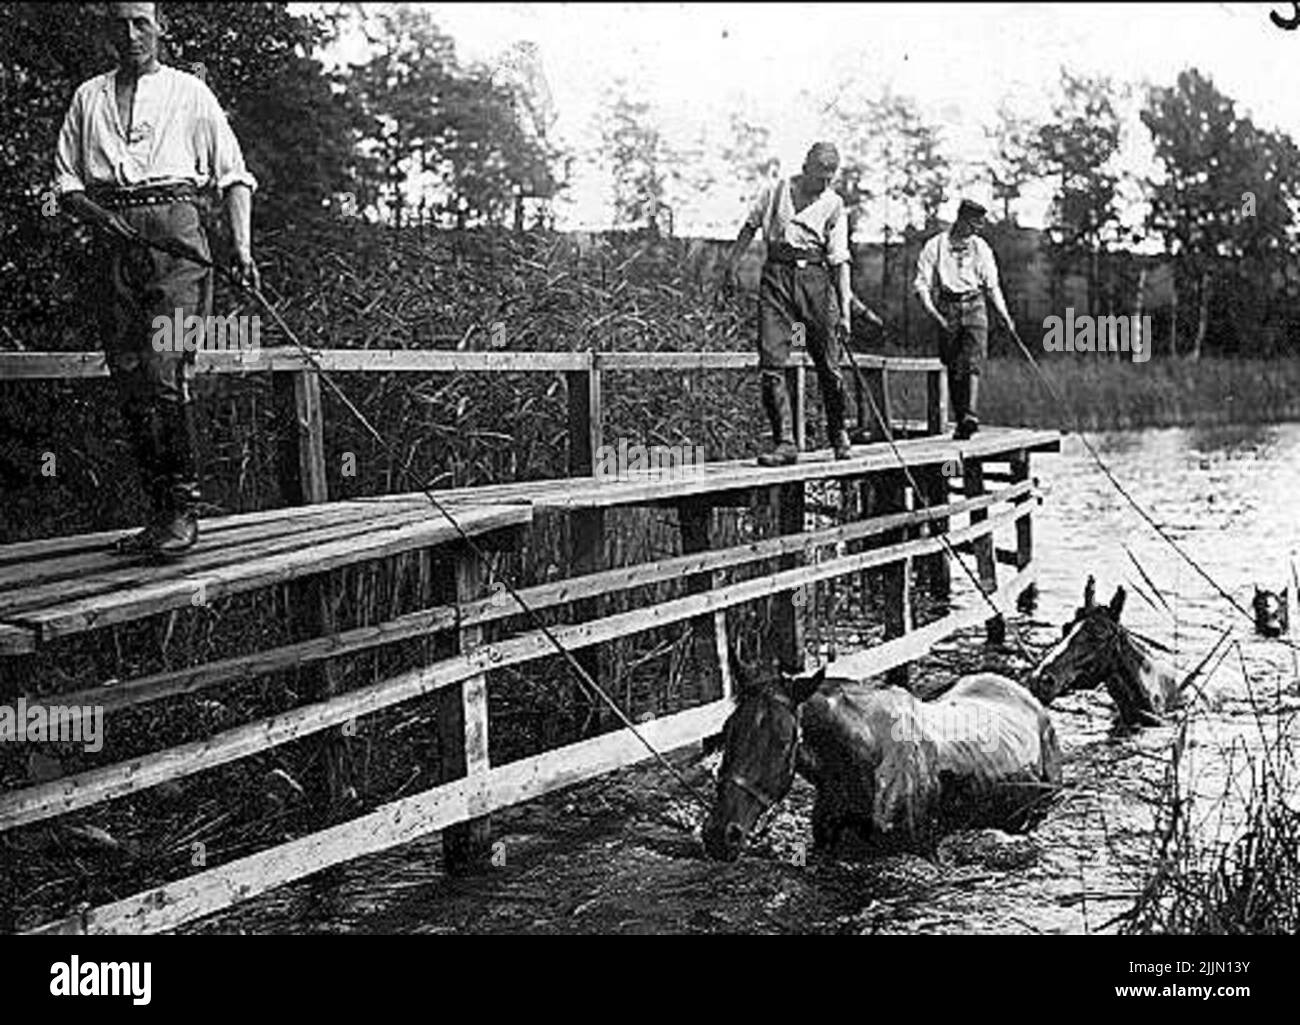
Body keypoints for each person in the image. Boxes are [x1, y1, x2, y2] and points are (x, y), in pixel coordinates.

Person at [53, 1, 259, 558]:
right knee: (127, 373)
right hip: (113, 241)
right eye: (120, 22)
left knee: (163, 367)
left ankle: (183, 512)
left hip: (177, 241)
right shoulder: (87, 97)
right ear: (107, 30)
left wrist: (240, 248)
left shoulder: (190, 93)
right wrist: (102, 219)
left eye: (141, 21)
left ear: (159, 27)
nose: (131, 33)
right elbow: (66, 185)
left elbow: (234, 175)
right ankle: (157, 515)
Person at [724, 143, 855, 466]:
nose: (825, 181)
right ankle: (785, 442)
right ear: (805, 166)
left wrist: (845, 312)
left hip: (815, 280)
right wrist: (732, 266)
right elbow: (749, 227)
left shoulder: (834, 204)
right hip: (777, 277)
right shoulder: (776, 191)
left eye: (831, 174)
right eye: (820, 172)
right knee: (771, 359)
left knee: (828, 363)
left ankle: (838, 431)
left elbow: (840, 261)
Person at [913, 199, 1016, 439]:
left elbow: (992, 286)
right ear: (960, 219)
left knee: (972, 361)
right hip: (947, 307)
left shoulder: (981, 247)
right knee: (954, 365)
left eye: (979, 226)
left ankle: (970, 414)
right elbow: (922, 283)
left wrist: (1005, 315)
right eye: (972, 224)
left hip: (975, 306)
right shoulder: (935, 245)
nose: (976, 230)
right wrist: (933, 313)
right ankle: (962, 421)